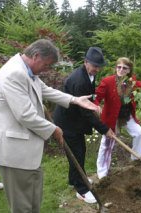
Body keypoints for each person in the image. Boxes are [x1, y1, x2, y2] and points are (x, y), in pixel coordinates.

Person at [0, 39, 100, 212]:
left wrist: (75, 100)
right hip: (13, 150)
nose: (47, 69)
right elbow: (25, 115)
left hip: (23, 148)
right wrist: (53, 129)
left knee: (33, 197)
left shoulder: (27, 70)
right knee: (22, 204)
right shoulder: (14, 73)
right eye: (47, 64)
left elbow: (46, 90)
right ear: (36, 56)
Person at [53, 47, 115, 204]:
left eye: (99, 66)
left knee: (79, 152)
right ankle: (81, 190)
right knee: (77, 154)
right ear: (86, 62)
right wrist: (105, 129)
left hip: (74, 119)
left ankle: (75, 179)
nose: (97, 69)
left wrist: (94, 105)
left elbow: (87, 101)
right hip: (67, 123)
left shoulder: (88, 75)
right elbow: (85, 113)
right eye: (95, 66)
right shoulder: (79, 81)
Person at [95, 57, 141, 179]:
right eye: (119, 67)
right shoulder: (108, 81)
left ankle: (136, 157)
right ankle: (102, 172)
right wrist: (95, 105)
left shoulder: (131, 82)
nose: (121, 70)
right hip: (111, 117)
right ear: (116, 68)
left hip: (125, 116)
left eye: (124, 68)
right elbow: (97, 96)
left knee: (139, 133)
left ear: (129, 70)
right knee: (107, 143)